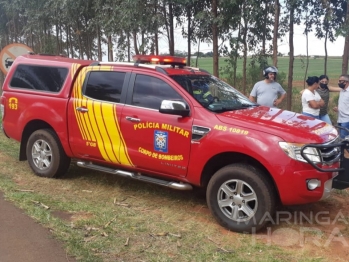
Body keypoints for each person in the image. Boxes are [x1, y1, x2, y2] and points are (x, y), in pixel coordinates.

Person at [333, 74, 349, 139]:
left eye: (340, 81)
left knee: (344, 140)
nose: (338, 83)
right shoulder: (342, 90)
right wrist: (338, 108)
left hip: (346, 120)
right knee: (340, 138)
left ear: (346, 82)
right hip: (340, 118)